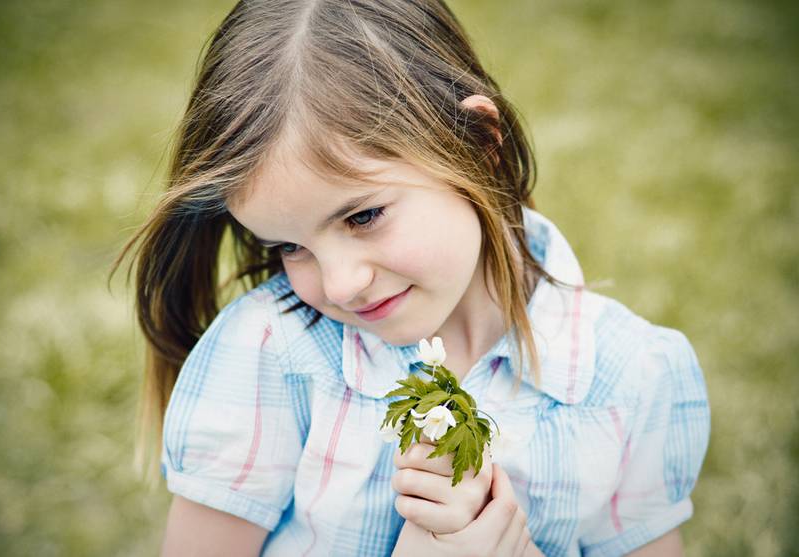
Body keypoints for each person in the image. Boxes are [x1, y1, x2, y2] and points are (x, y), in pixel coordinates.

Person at [114, 1, 710, 555]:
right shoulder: (270, 355)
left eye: (363, 216)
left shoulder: (629, 379)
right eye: (289, 246)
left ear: (478, 145)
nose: (341, 285)